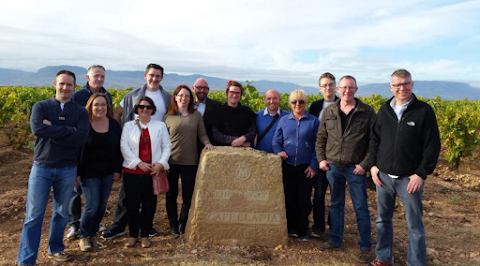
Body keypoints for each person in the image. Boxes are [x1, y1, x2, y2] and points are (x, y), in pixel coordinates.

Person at [367, 69, 440, 266]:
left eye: (405, 83)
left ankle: (415, 263)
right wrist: (373, 166)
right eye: (397, 85)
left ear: (412, 84)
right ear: (391, 87)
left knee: (414, 225)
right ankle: (383, 259)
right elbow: (374, 140)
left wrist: (421, 173)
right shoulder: (384, 110)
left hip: (410, 179)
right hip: (383, 178)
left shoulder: (424, 111)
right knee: (382, 220)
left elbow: (432, 145)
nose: (402, 88)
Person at [17, 70, 90, 265]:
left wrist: (53, 130)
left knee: (61, 213)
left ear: (75, 87)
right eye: (62, 84)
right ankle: (26, 260)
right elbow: (37, 129)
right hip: (42, 167)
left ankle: (55, 248)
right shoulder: (41, 106)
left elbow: (81, 138)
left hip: (67, 169)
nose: (65, 88)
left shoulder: (81, 112)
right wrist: (68, 131)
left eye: (69, 85)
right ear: (54, 84)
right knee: (34, 215)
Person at [102, 63, 171, 239]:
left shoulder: (167, 98)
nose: (154, 79)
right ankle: (118, 225)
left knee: (150, 194)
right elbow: (116, 113)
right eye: (151, 75)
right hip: (133, 150)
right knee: (127, 193)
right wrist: (119, 132)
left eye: (157, 76)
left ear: (161, 78)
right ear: (145, 76)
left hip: (154, 151)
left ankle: (146, 227)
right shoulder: (132, 95)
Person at [316, 75, 375, 263]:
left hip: (355, 168)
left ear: (356, 90)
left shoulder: (366, 111)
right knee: (336, 205)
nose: (347, 91)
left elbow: (374, 142)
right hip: (333, 166)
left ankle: (365, 246)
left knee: (361, 207)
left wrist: (364, 165)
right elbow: (321, 138)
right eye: (344, 88)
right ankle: (335, 240)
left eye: (351, 88)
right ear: (338, 89)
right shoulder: (330, 111)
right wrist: (321, 159)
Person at [68, 65, 112, 239]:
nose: (99, 79)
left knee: (95, 200)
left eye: (102, 76)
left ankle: (91, 224)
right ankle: (73, 223)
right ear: (88, 77)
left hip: (100, 151)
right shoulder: (77, 96)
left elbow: (106, 117)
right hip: (81, 146)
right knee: (75, 191)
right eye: (96, 76)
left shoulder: (107, 95)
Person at [121, 96, 171, 248]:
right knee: (132, 205)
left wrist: (161, 164)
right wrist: (138, 163)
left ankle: (144, 235)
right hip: (132, 172)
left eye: (148, 107)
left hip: (152, 172)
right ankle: (133, 234)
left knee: (150, 205)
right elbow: (124, 146)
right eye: (142, 107)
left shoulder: (160, 126)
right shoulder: (129, 126)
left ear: (152, 109)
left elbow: (167, 146)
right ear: (137, 109)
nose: (145, 109)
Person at [164, 85, 214, 238]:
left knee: (188, 195)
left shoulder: (196, 115)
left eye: (186, 96)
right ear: (175, 97)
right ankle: (172, 224)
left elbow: (202, 134)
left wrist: (207, 143)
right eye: (181, 95)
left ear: (190, 99)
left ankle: (183, 222)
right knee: (171, 195)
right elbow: (163, 140)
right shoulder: (168, 117)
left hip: (190, 162)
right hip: (171, 161)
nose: (183, 98)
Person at [77, 93, 123, 252]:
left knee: (102, 205)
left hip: (108, 172)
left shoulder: (113, 124)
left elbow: (118, 149)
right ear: (90, 106)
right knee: (92, 205)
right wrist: (77, 172)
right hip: (89, 173)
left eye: (104, 104)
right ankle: (84, 236)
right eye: (97, 104)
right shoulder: (84, 124)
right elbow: (78, 150)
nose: (100, 108)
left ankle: (93, 233)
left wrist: (118, 169)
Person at [272, 89, 319, 242]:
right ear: (290, 104)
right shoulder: (284, 120)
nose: (297, 104)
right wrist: (279, 151)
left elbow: (318, 146)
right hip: (288, 166)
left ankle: (303, 229)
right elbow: (276, 141)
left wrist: (313, 165)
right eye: (294, 101)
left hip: (306, 167)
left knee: (304, 200)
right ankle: (291, 228)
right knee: (289, 198)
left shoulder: (313, 121)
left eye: (301, 101)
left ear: (306, 103)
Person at [308, 72, 338, 238]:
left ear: (335, 86)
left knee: (336, 197)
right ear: (320, 88)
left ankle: (334, 227)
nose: (328, 87)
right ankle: (318, 227)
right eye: (324, 85)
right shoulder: (315, 106)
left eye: (330, 84)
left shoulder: (343, 104)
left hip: (337, 159)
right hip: (319, 157)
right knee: (318, 195)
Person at [212, 80, 257, 147]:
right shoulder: (218, 111)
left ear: (241, 94)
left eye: (237, 93)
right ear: (227, 93)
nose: (235, 95)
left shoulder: (247, 111)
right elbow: (216, 134)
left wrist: (243, 138)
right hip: (222, 151)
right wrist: (237, 141)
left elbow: (253, 131)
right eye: (232, 92)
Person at [192, 78, 222, 147]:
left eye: (205, 88)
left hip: (209, 147)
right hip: (190, 148)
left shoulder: (217, 106)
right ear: (193, 88)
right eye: (199, 87)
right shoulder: (187, 105)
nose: (202, 90)